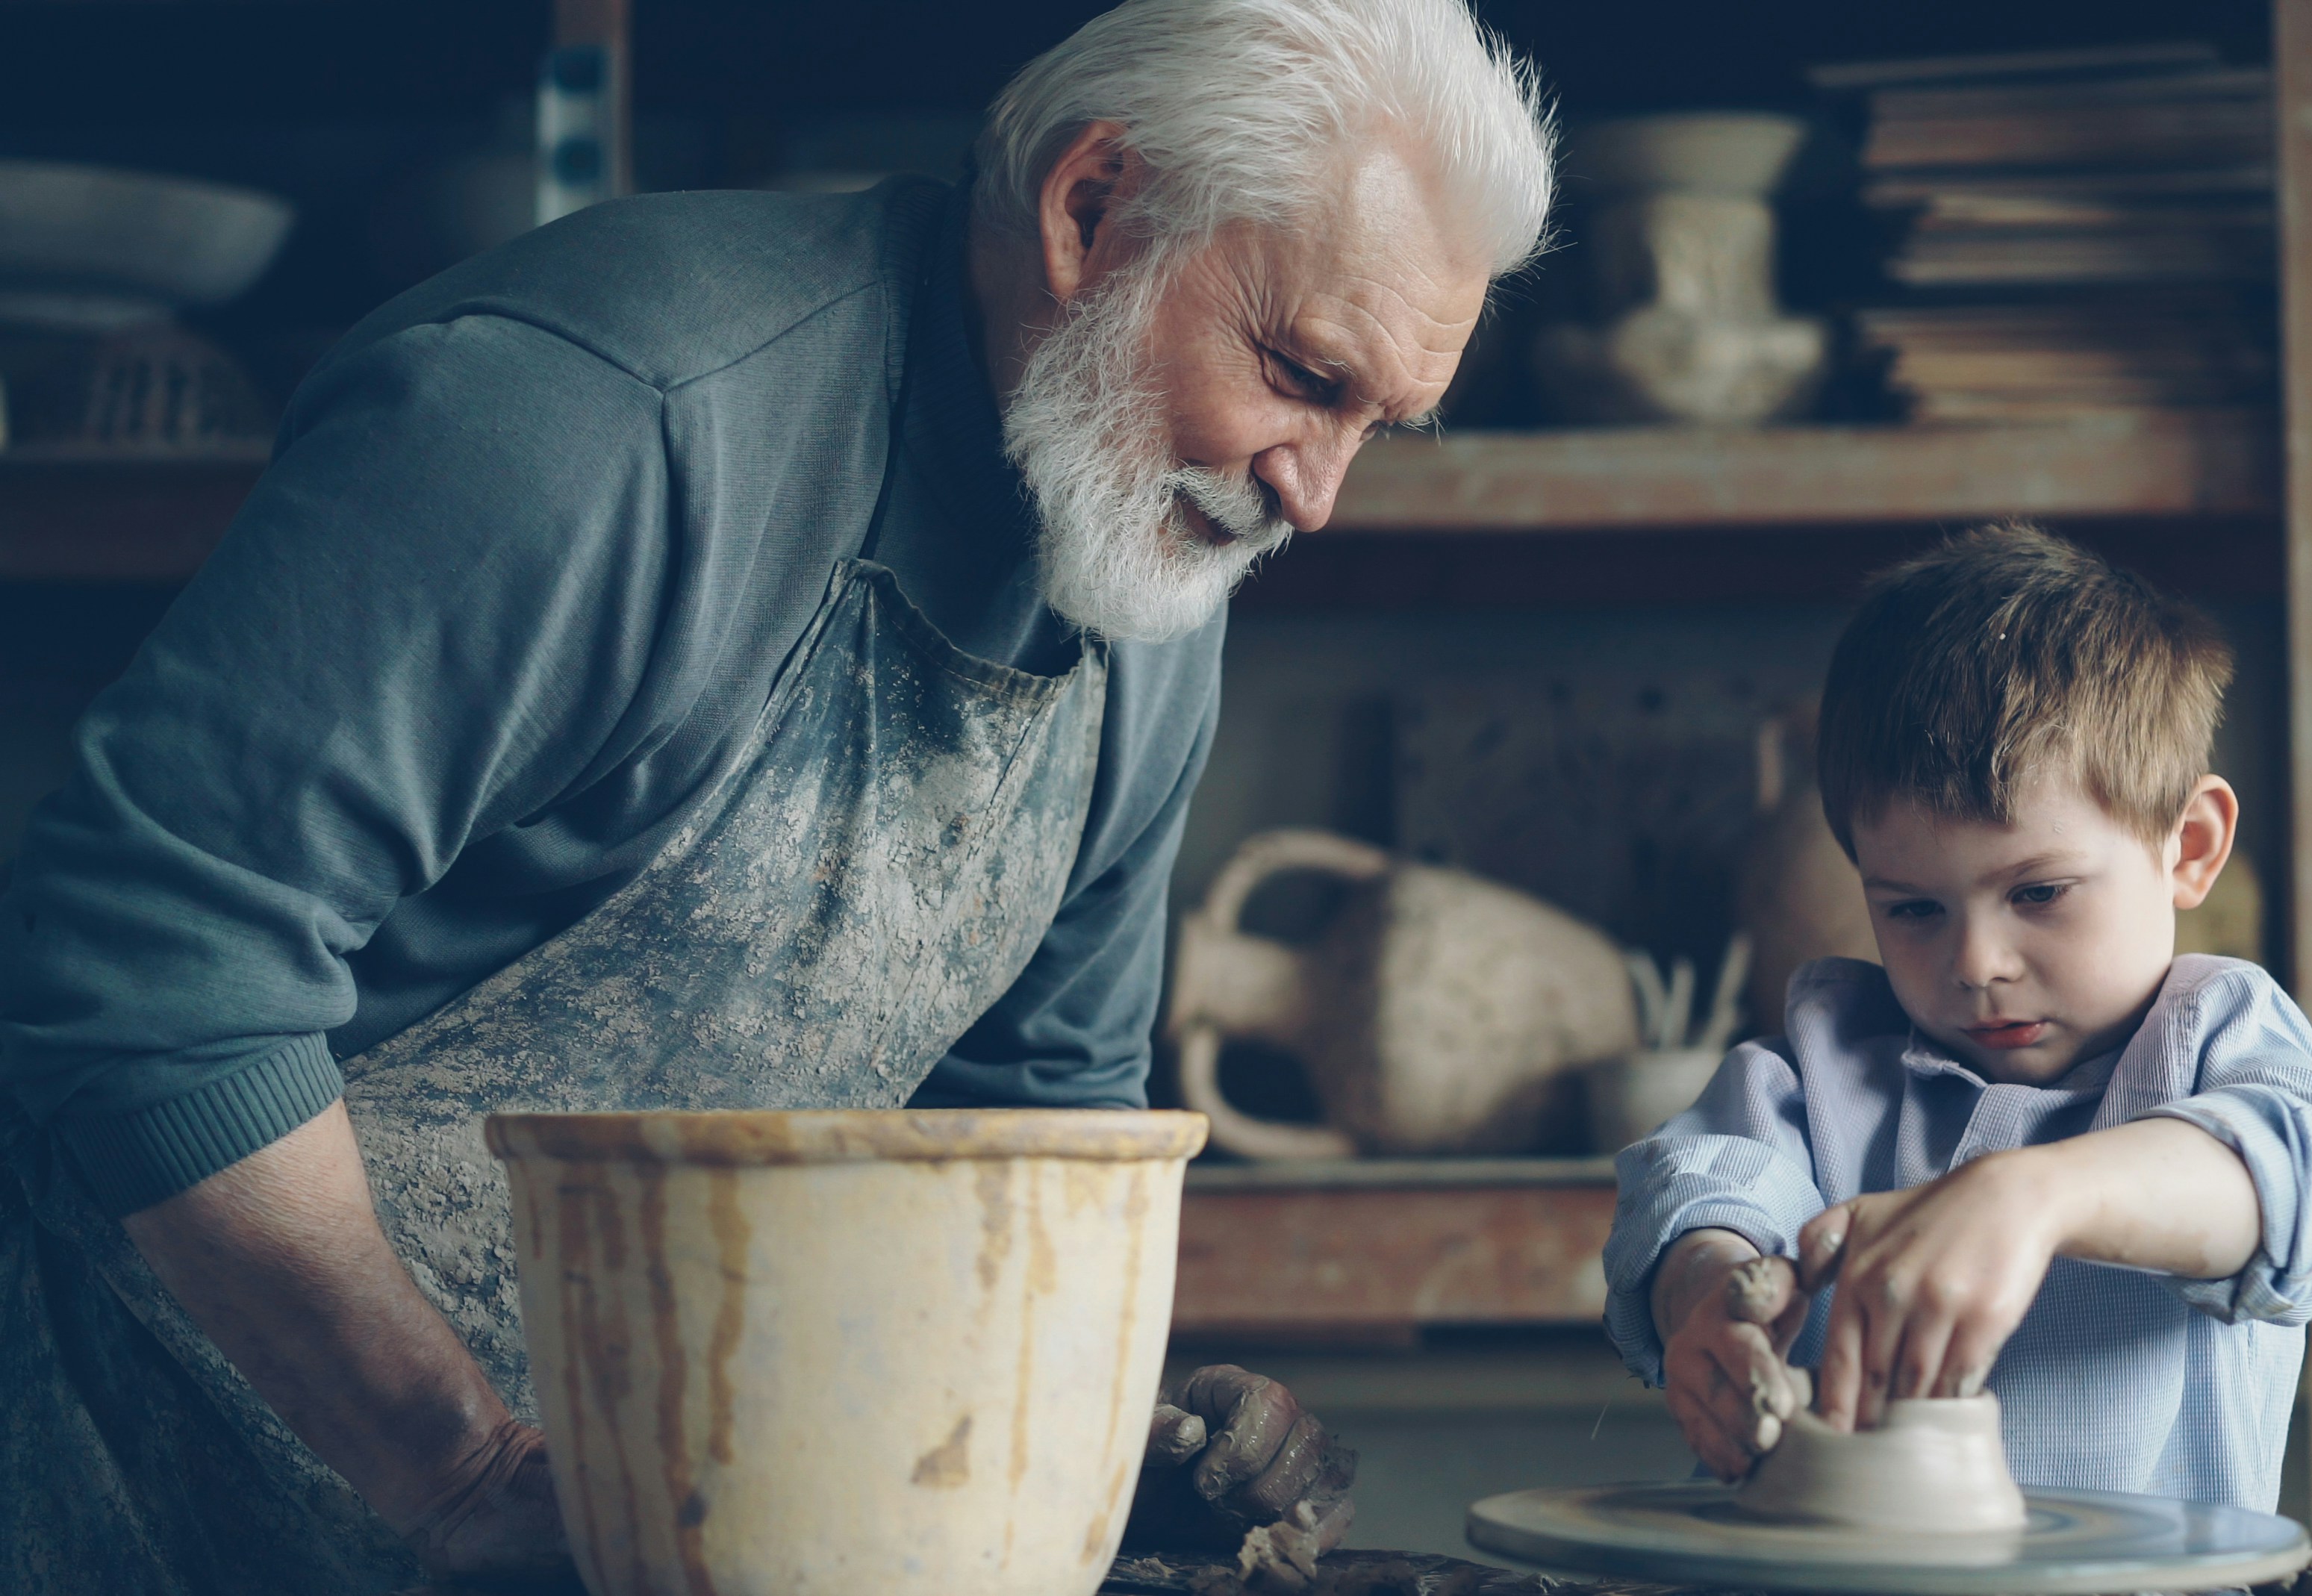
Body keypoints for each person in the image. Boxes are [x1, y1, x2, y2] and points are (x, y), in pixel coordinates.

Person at [0, 1, 1554, 1589]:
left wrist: (1096, 1449)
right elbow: (153, 961)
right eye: (1302, 373)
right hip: (126, 1488)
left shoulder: (1148, 579)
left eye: (1379, 424)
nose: (1316, 490)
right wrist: (464, 1471)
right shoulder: (609, 416)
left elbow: (1021, 1150)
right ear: (1090, 212)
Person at [1604, 525, 2312, 1509]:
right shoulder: (1823, 1065)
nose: (1976, 964)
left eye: (2040, 894)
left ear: (2189, 846)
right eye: (1912, 908)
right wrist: (1710, 1298)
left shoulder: (2216, 1036)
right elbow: (1699, 1184)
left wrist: (2036, 1197)